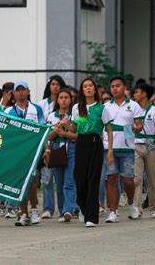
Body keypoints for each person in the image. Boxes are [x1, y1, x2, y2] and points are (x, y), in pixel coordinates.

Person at [71, 78, 114, 227]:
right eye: (85, 86)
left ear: (95, 90)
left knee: (93, 179)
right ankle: (84, 207)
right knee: (80, 179)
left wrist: (110, 151)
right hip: (81, 143)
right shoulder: (77, 107)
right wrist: (64, 125)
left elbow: (108, 129)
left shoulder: (101, 108)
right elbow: (73, 128)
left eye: (90, 86)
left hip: (95, 143)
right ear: (82, 90)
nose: (88, 88)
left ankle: (91, 217)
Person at [102, 77, 143, 223]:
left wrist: (135, 127)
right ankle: (113, 211)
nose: (114, 89)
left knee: (128, 181)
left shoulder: (133, 105)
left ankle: (132, 204)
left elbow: (139, 124)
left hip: (127, 148)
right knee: (111, 179)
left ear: (124, 87)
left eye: (118, 86)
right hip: (109, 148)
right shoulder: (106, 106)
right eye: (112, 86)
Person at [5, 81, 45, 226]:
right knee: (20, 182)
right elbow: (6, 133)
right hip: (16, 152)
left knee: (31, 180)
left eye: (23, 90)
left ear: (28, 91)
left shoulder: (37, 109)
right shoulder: (8, 112)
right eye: (18, 90)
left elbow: (42, 129)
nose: (21, 93)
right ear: (13, 93)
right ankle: (23, 213)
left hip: (32, 151)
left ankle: (34, 209)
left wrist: (45, 149)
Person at [133, 83, 155, 218]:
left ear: (144, 94)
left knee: (152, 178)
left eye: (137, 92)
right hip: (136, 145)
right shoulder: (133, 110)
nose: (134, 95)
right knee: (137, 179)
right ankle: (137, 208)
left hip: (152, 147)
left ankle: (154, 208)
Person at [44, 89, 78, 222]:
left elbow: (77, 133)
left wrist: (66, 127)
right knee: (59, 182)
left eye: (66, 97)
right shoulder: (52, 116)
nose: (64, 100)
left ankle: (68, 210)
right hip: (56, 149)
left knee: (69, 181)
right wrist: (56, 130)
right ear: (57, 100)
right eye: (61, 97)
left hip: (71, 147)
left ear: (71, 100)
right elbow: (47, 136)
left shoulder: (74, 115)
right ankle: (62, 209)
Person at [38, 75, 66, 219]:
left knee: (63, 179)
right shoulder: (42, 104)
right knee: (47, 178)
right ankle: (48, 208)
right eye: (52, 84)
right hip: (47, 141)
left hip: (63, 142)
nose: (55, 86)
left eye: (58, 84)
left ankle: (65, 208)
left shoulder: (67, 103)